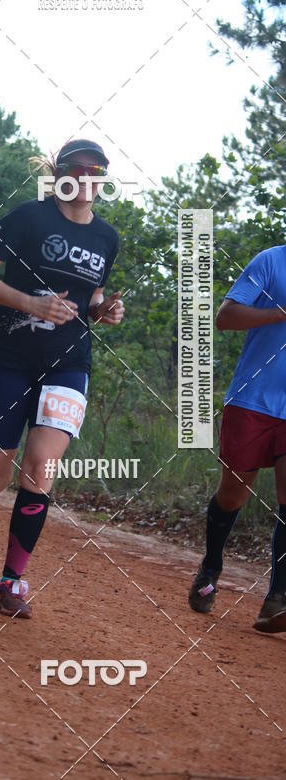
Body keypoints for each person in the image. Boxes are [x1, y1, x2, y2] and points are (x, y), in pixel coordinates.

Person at [0, 139, 124, 618]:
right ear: (59, 174)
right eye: (77, 169)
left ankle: (11, 580)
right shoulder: (27, 217)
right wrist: (31, 303)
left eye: (95, 170)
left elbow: (91, 299)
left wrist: (105, 311)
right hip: (9, 356)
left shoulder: (107, 237)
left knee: (41, 467)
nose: (86, 178)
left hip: (69, 363)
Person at [188, 245, 286, 632]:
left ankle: (276, 599)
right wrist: (280, 313)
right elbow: (225, 317)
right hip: (253, 399)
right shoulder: (270, 261)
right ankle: (211, 566)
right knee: (233, 494)